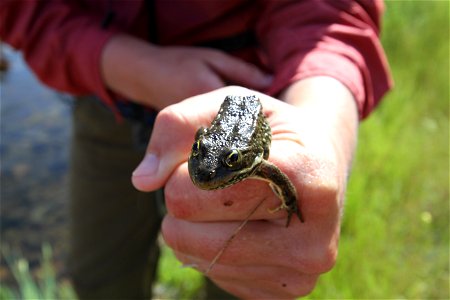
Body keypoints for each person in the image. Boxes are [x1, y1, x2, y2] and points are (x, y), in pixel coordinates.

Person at [0, 0, 392, 299]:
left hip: (251, 84)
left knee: (243, 284)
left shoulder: (257, 164)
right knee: (98, 275)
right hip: (109, 109)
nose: (203, 172)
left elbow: (329, 14)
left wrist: (321, 146)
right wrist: (122, 62)